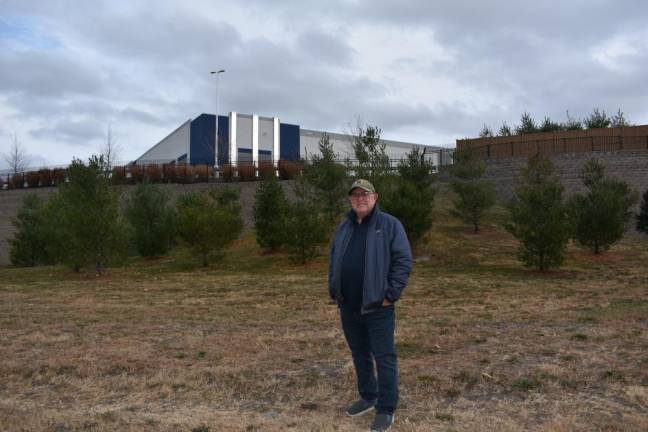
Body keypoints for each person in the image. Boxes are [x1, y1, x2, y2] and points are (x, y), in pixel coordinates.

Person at [328, 179, 413, 432]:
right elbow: (334, 260)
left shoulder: (389, 225)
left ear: (375, 197)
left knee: (384, 357)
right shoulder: (344, 227)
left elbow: (403, 261)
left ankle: (386, 408)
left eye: (365, 194)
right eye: (355, 195)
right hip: (349, 306)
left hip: (378, 306)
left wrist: (391, 294)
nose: (360, 199)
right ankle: (368, 396)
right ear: (350, 200)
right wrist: (334, 289)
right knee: (360, 354)